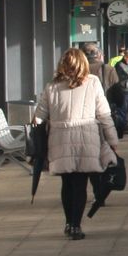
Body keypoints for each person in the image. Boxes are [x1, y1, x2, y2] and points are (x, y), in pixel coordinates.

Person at [32, 48, 119, 240]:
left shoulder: (52, 86)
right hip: (86, 139)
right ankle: (76, 226)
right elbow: (104, 115)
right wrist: (112, 140)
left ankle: (68, 222)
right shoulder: (93, 83)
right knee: (80, 184)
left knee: (66, 183)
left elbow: (38, 117)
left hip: (59, 139)